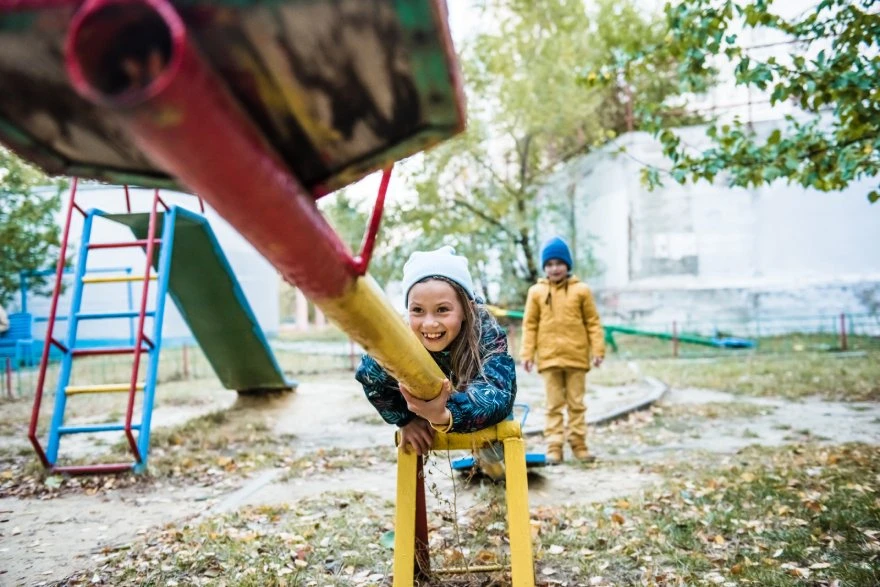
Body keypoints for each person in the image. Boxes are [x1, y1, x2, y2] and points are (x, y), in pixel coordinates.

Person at [355, 246, 517, 458]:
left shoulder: (486, 333)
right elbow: (369, 375)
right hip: (428, 405)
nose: (429, 323)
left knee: (494, 455)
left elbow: (498, 390)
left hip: (474, 402)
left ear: (467, 310)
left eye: (442, 309)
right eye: (418, 310)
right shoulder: (403, 337)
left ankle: (490, 466)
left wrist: (445, 414)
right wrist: (405, 420)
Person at [520, 236, 605, 463]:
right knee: (553, 405)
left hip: (576, 357)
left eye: (558, 263)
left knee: (577, 404)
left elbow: (593, 322)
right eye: (549, 264)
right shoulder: (536, 292)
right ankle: (554, 446)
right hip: (549, 359)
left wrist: (598, 350)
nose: (554, 268)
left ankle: (579, 444)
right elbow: (530, 325)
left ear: (567, 264)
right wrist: (527, 354)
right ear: (544, 267)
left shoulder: (582, 291)